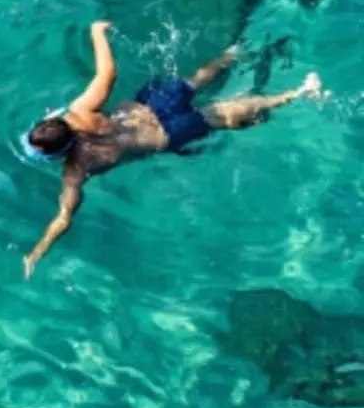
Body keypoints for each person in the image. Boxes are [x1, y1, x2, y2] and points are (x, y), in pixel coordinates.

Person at [21, 21, 323, 278]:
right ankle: (238, 50)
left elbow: (64, 216)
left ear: (56, 153)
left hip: (167, 134)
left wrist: (36, 252)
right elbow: (108, 74)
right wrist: (97, 33)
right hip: (153, 104)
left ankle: (299, 92)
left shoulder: (76, 168)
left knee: (223, 113)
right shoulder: (79, 111)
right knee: (196, 80)